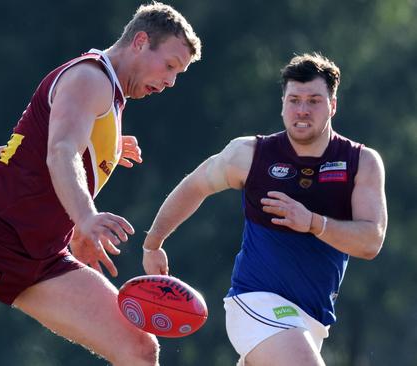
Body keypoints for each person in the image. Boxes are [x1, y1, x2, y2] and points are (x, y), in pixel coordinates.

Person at [0, 3, 201, 366]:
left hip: (44, 256)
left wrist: (78, 224)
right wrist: (87, 217)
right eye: (170, 66)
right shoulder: (90, 78)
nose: (171, 81)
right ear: (139, 41)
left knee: (138, 349)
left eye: (179, 74)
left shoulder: (111, 94)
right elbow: (60, 153)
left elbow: (59, 152)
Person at [141, 53, 387, 366]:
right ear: (282, 104)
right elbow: (194, 185)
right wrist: (153, 243)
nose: (302, 110)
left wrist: (313, 222)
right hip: (256, 304)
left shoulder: (361, 162)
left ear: (332, 105)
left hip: (312, 320)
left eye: (314, 100)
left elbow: (371, 242)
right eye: (294, 100)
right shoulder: (249, 154)